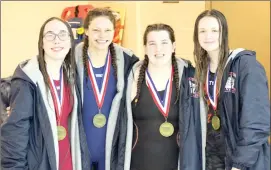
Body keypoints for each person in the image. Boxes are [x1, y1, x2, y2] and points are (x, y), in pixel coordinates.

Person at [1, 17, 89, 170]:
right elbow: (15, 131)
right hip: (40, 164)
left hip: (70, 163)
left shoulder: (73, 76)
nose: (57, 40)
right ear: (41, 43)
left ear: (70, 41)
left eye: (62, 34)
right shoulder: (27, 79)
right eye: (50, 35)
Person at [193, 9, 270, 170]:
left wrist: (240, 164)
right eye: (203, 31)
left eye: (215, 30)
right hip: (212, 159)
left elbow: (257, 122)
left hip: (242, 161)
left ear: (224, 33)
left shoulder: (246, 66)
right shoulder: (200, 72)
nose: (208, 36)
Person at [118, 23, 202, 170]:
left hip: (177, 163)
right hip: (138, 163)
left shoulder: (189, 78)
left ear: (173, 46)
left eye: (164, 43)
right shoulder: (131, 78)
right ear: (144, 47)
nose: (158, 49)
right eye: (152, 44)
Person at [75, 8, 139, 170]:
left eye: (107, 30)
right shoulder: (70, 59)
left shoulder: (127, 60)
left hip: (112, 150)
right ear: (87, 30)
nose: (102, 35)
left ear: (114, 32)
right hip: (79, 148)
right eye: (96, 30)